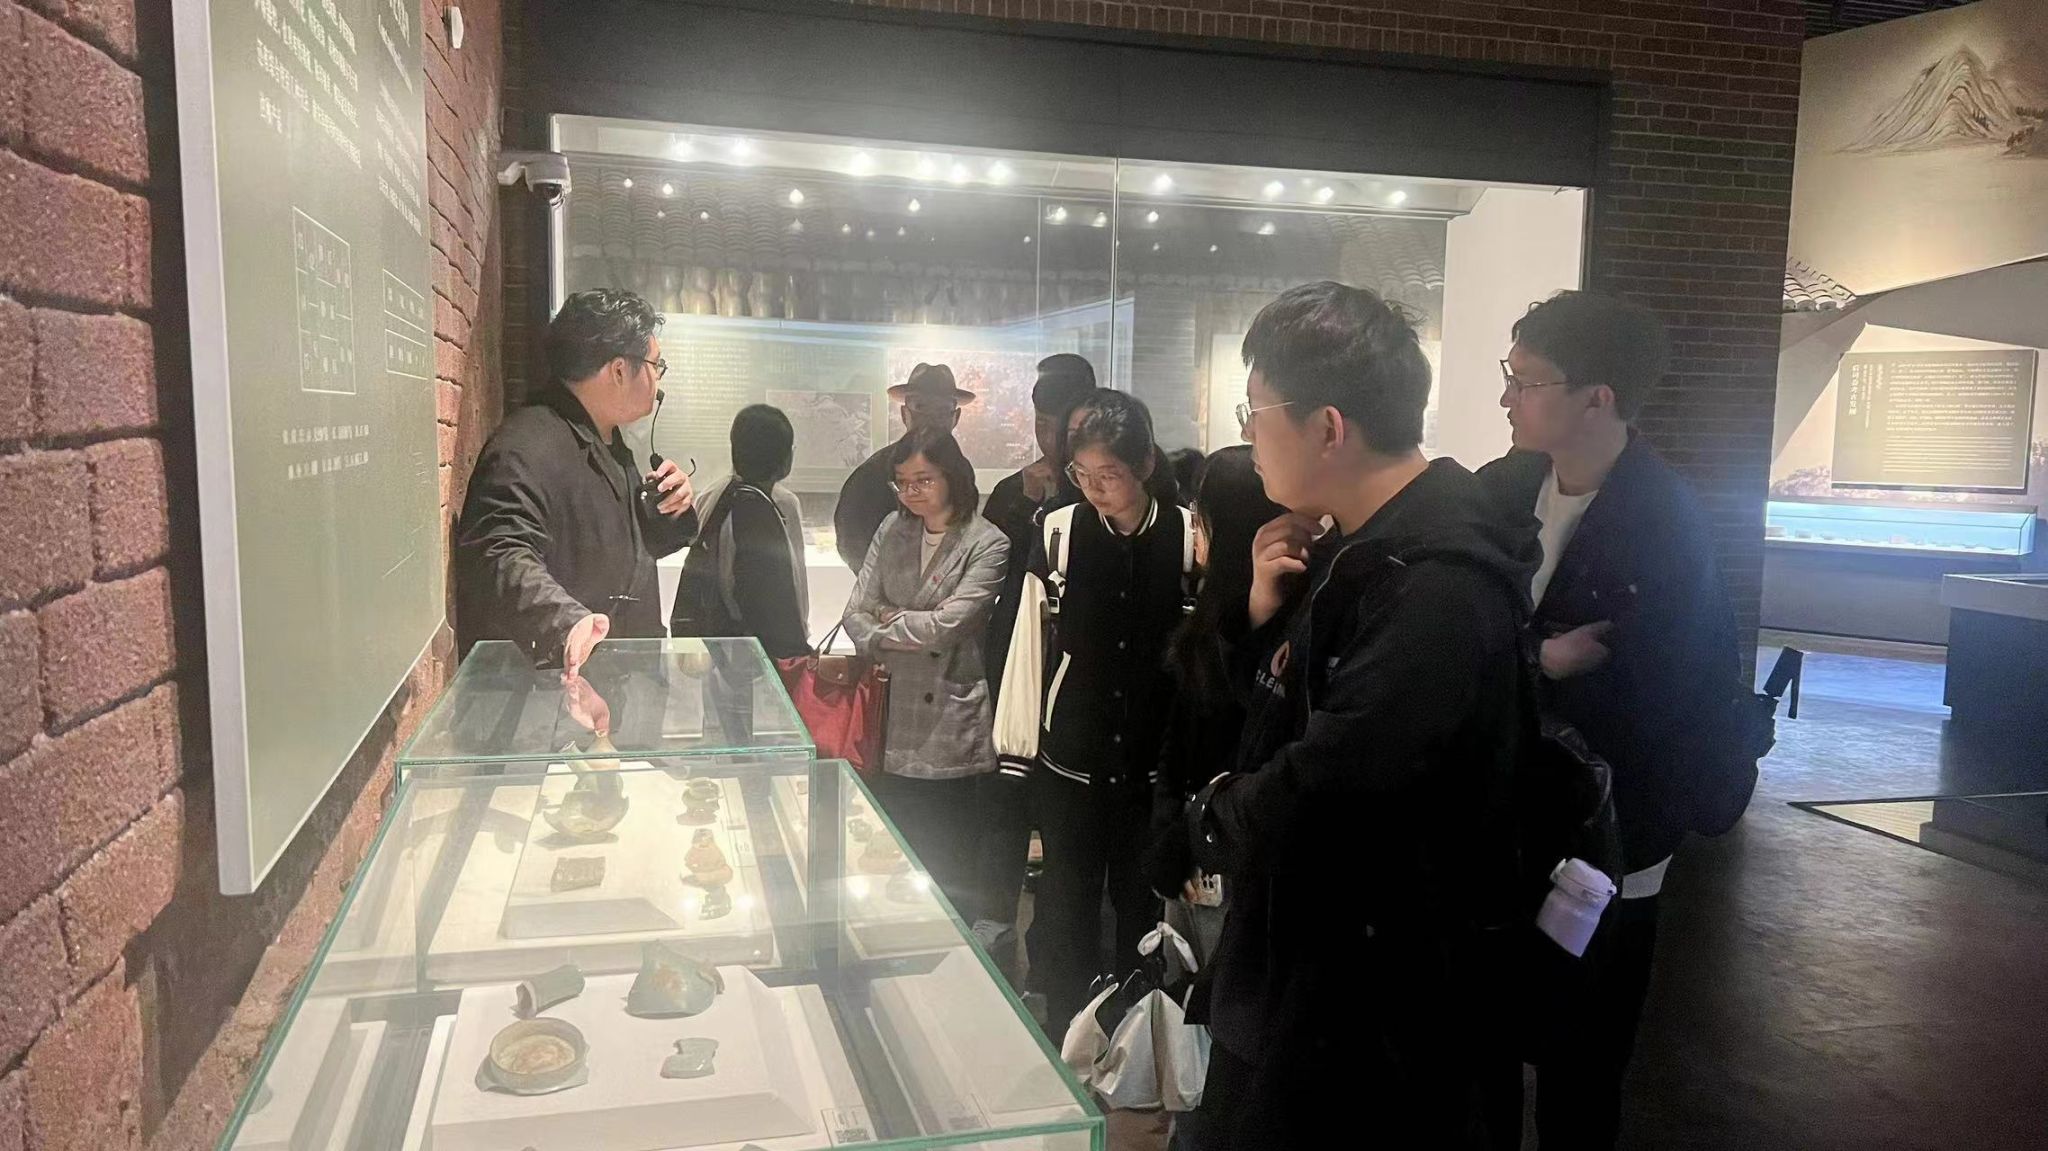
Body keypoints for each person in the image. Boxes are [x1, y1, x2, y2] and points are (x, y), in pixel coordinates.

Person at [1150, 282, 1533, 1149]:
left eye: (1255, 414)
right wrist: (1260, 616)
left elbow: (1336, 776)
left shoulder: (1437, 583)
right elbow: (1282, 712)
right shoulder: (1359, 546)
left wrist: (1210, 817)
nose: (1249, 437)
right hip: (1312, 974)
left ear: (1327, 426)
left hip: (1365, 1010)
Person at [1476, 291, 1748, 1150]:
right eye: (1510, 376)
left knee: (1583, 1056)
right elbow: (1454, 627)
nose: (1508, 398)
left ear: (1599, 396)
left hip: (1610, 830)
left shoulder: (1665, 523)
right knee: (1483, 1038)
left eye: (1527, 381)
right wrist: (1539, 658)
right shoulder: (1503, 486)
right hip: (1501, 815)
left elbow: (1670, 688)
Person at [993, 390, 1191, 1029]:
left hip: (1152, 762)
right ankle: (1064, 1027)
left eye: (1110, 474)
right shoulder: (1058, 531)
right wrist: (1016, 752)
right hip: (1070, 757)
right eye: (1082, 474)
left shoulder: (1189, 536)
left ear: (1146, 464)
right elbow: (1028, 641)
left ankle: (1137, 1035)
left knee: (1144, 906)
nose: (1095, 488)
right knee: (1065, 901)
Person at [454, 289, 697, 674]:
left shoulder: (606, 437)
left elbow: (619, 542)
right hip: (565, 685)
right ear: (619, 370)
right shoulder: (527, 444)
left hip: (615, 675)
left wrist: (671, 507)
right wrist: (566, 623)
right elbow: (498, 549)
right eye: (656, 364)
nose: (658, 380)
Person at [843, 428, 1010, 908]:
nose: (911, 492)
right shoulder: (891, 529)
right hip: (889, 710)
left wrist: (887, 620)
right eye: (901, 482)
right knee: (888, 850)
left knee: (948, 858)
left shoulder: (987, 541)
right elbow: (854, 612)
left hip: (948, 715)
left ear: (952, 475)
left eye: (923, 480)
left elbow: (947, 627)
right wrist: (897, 624)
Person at [972, 354, 1099, 953]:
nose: (1051, 440)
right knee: (1006, 794)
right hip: (1015, 665)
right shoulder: (1012, 490)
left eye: (1064, 427)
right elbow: (988, 567)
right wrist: (1027, 507)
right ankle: (996, 920)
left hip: (1079, 677)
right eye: (1042, 425)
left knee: (1067, 818)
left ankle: (1060, 949)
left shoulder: (1106, 491)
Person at [1152, 445, 1283, 966]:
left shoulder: (1259, 616)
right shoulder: (1218, 603)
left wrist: (1181, 838)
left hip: (1222, 854)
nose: (1194, 531)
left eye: (1200, 517)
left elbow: (1229, 745)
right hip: (1198, 841)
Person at [672, 405, 810, 742]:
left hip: (717, 643)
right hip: (756, 650)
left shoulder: (712, 496)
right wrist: (799, 639)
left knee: (723, 733)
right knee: (766, 737)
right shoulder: (778, 504)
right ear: (786, 458)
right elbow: (792, 583)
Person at [834, 363, 976, 573]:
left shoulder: (962, 471)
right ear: (904, 414)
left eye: (942, 409)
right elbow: (852, 542)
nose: (931, 418)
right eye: (920, 407)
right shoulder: (873, 473)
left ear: (955, 417)